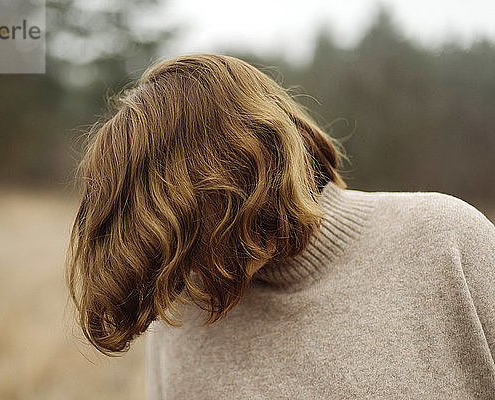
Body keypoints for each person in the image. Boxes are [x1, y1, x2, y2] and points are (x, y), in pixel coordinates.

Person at [66, 54, 495, 399]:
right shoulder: (183, 313)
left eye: (209, 223)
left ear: (267, 161)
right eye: (181, 245)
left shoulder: (444, 240)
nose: (194, 273)